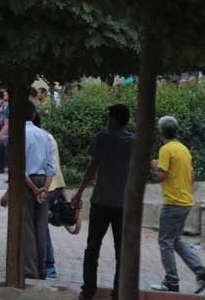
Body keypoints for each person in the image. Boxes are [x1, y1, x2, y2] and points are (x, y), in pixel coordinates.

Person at [72, 104, 134, 300]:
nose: (107, 120)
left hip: (101, 201)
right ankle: (118, 292)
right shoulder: (135, 142)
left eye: (109, 116)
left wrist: (79, 192)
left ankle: (88, 290)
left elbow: (92, 168)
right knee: (122, 252)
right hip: (124, 204)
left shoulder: (101, 138)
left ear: (115, 119)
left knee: (92, 249)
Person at [150, 116, 205, 294]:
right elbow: (191, 177)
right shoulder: (184, 149)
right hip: (185, 202)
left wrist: (152, 166)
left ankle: (171, 281)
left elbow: (161, 176)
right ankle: (202, 272)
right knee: (174, 241)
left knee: (165, 242)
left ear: (161, 132)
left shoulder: (166, 149)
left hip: (173, 203)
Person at [22, 103, 56, 279]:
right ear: (34, 114)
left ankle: (29, 269)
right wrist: (44, 188)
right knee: (41, 225)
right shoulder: (45, 135)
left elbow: (20, 167)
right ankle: (42, 268)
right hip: (44, 180)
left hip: (28, 183)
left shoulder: (20, 135)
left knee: (26, 226)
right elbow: (51, 166)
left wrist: (35, 189)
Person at [41, 114, 66, 279]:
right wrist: (63, 188)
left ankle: (48, 264)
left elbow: (49, 165)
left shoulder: (37, 138)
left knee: (40, 226)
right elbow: (56, 163)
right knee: (41, 225)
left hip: (44, 186)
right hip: (55, 185)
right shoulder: (49, 137)